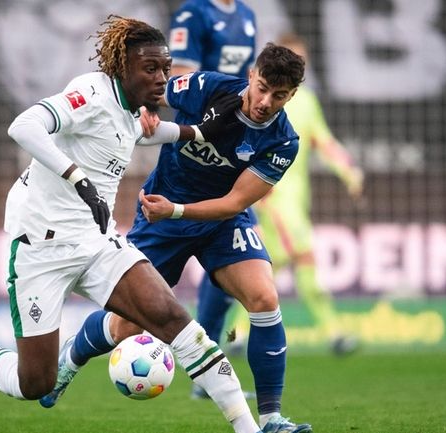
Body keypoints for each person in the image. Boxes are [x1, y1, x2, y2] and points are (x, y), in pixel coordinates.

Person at [0, 16, 264, 433]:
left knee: (174, 319)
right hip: (39, 245)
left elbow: (142, 133)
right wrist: (77, 178)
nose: (161, 78)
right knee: (34, 383)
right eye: (150, 69)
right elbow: (23, 126)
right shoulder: (91, 93)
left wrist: (199, 131)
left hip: (97, 243)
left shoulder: (131, 110)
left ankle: (249, 428)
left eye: (165, 69)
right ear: (121, 67)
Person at [43, 43, 313, 433]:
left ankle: (271, 418)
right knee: (125, 328)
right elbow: (144, 91)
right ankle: (73, 355)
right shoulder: (207, 86)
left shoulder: (283, 142)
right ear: (252, 75)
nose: (266, 102)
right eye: (263, 87)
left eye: (280, 96)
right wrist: (143, 113)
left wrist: (177, 209)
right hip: (162, 221)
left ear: (292, 96)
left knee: (264, 297)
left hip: (219, 220)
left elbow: (232, 202)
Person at [230, 32, 364, 355]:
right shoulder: (257, 101)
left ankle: (235, 334)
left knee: (263, 269)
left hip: (296, 200)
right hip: (273, 199)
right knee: (305, 258)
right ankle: (333, 332)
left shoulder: (305, 102)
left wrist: (349, 169)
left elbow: (323, 141)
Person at [167, 0, 261, 380]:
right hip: (196, 152)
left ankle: (208, 368)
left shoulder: (247, 15)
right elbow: (182, 79)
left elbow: (253, 85)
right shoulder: (194, 15)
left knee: (234, 272)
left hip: (234, 153)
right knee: (142, 292)